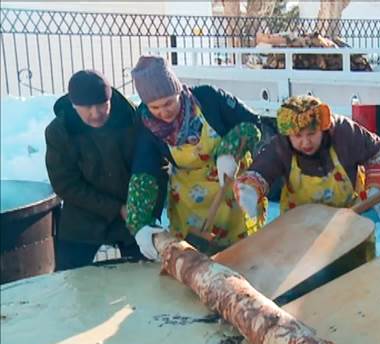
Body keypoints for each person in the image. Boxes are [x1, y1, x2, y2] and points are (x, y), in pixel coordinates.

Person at [125, 56, 263, 260]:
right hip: (189, 199)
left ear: (178, 90)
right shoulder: (146, 124)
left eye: (168, 102)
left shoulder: (208, 98)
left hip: (230, 187)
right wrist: (140, 223)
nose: (163, 112)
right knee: (192, 262)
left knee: (240, 257)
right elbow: (146, 171)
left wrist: (229, 151)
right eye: (155, 107)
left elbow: (252, 123)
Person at [45, 70, 142, 270]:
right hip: (84, 214)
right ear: (74, 105)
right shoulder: (59, 131)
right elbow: (65, 184)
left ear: (110, 100)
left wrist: (142, 205)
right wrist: (115, 208)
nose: (96, 113)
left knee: (145, 274)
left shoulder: (133, 119)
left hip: (131, 209)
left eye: (102, 105)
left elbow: (153, 165)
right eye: (87, 108)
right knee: (71, 279)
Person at [234, 95, 380, 216]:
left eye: (311, 134)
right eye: (297, 137)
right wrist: (250, 191)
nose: (305, 143)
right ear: (288, 135)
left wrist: (373, 192)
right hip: (300, 227)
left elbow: (379, 152)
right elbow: (262, 169)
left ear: (323, 128)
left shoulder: (344, 134)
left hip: (347, 221)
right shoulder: (282, 146)